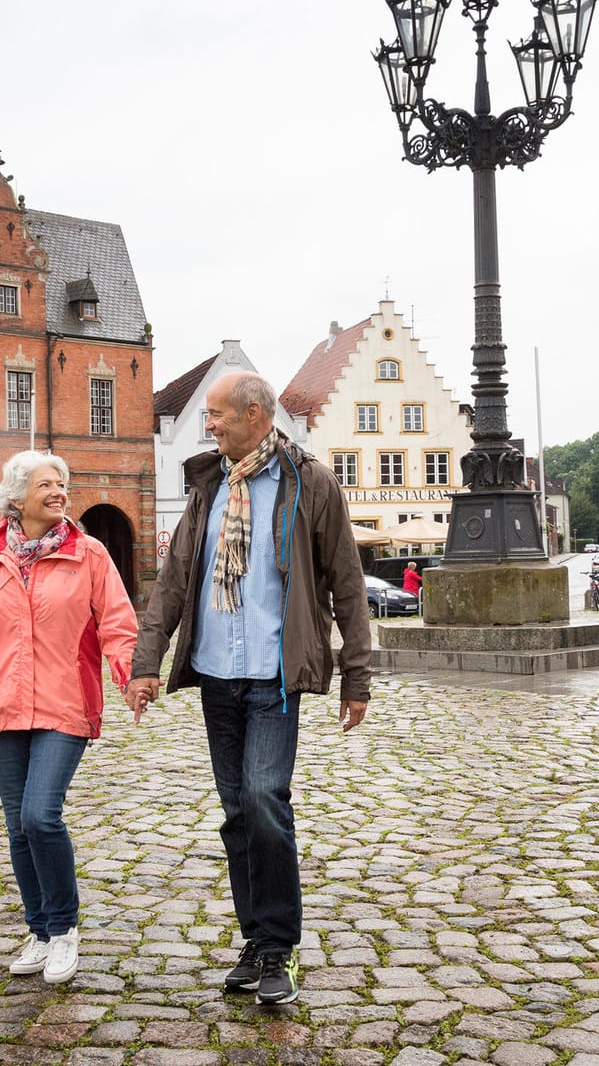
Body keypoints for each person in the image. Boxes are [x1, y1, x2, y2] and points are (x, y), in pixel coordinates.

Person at [128, 371, 372, 1007]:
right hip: (216, 675)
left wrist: (357, 676)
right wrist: (146, 662)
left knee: (265, 799)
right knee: (237, 813)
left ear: (256, 415)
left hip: (274, 675)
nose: (208, 425)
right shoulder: (210, 487)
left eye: (217, 415)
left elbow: (346, 582)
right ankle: (257, 941)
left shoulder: (308, 483)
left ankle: (280, 947)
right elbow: (175, 580)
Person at [0, 450, 140, 986]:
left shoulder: (90, 554)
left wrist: (129, 676)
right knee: (17, 827)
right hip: (1, 707)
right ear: (17, 498)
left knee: (40, 816)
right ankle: (38, 931)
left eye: (63, 483)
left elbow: (118, 625)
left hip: (65, 704)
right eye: (46, 484)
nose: (59, 492)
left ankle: (63, 930)